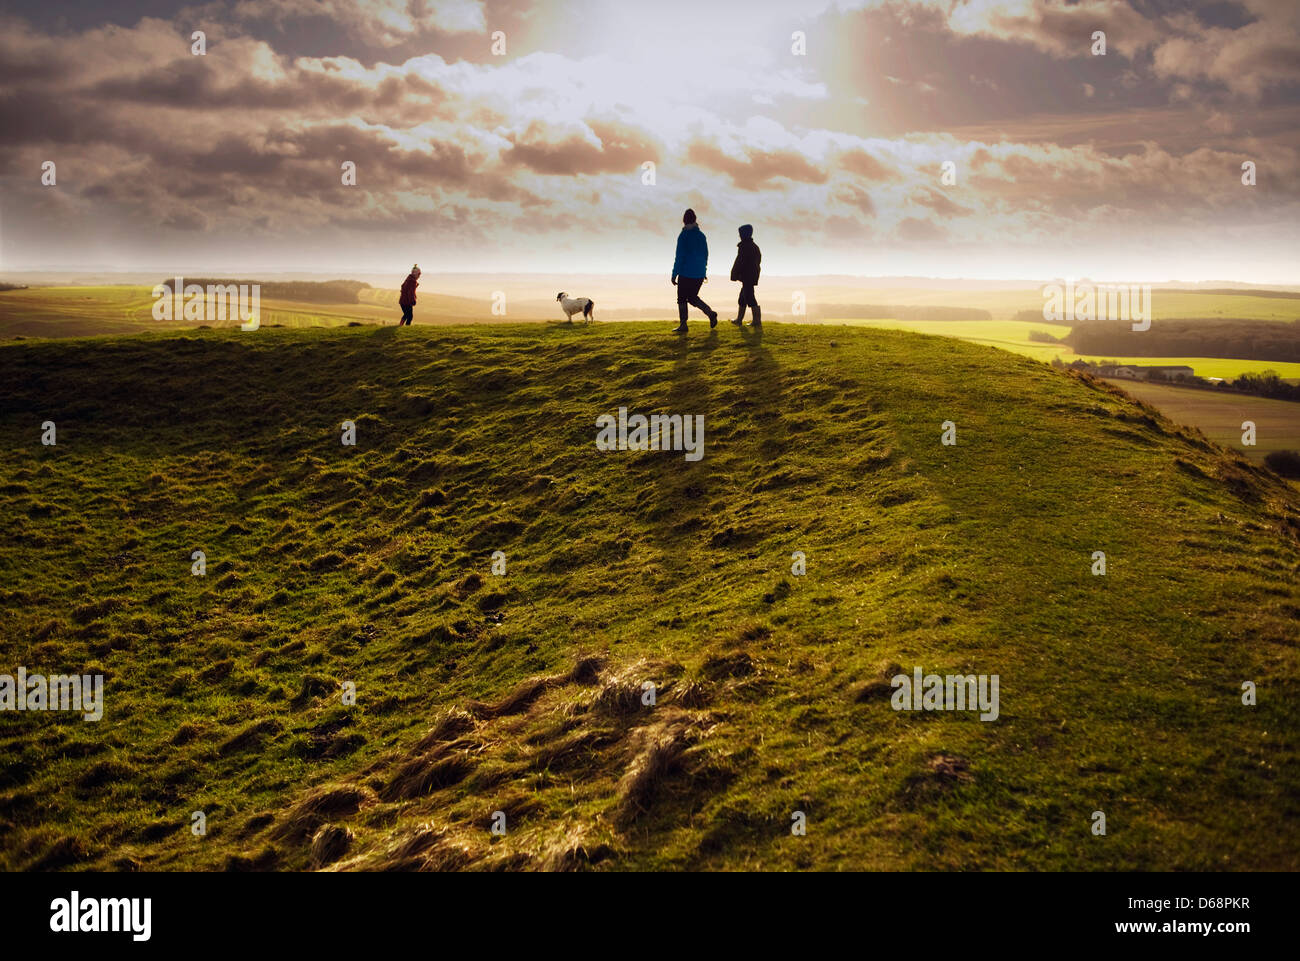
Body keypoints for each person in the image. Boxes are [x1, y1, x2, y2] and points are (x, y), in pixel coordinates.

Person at [671, 209, 718, 334]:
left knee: (681, 299)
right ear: (695, 220)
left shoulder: (683, 236)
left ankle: (683, 325)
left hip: (686, 272)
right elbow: (706, 255)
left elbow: (679, 257)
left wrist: (674, 274)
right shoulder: (701, 236)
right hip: (699, 273)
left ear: (684, 220)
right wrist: (703, 270)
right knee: (692, 298)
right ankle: (710, 313)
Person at [729, 224, 761, 328]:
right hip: (752, 275)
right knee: (742, 297)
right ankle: (739, 320)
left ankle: (756, 321)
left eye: (740, 234)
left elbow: (739, 262)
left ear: (743, 234)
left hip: (747, 276)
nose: (739, 236)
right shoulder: (755, 247)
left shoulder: (744, 247)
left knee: (749, 297)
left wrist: (734, 274)